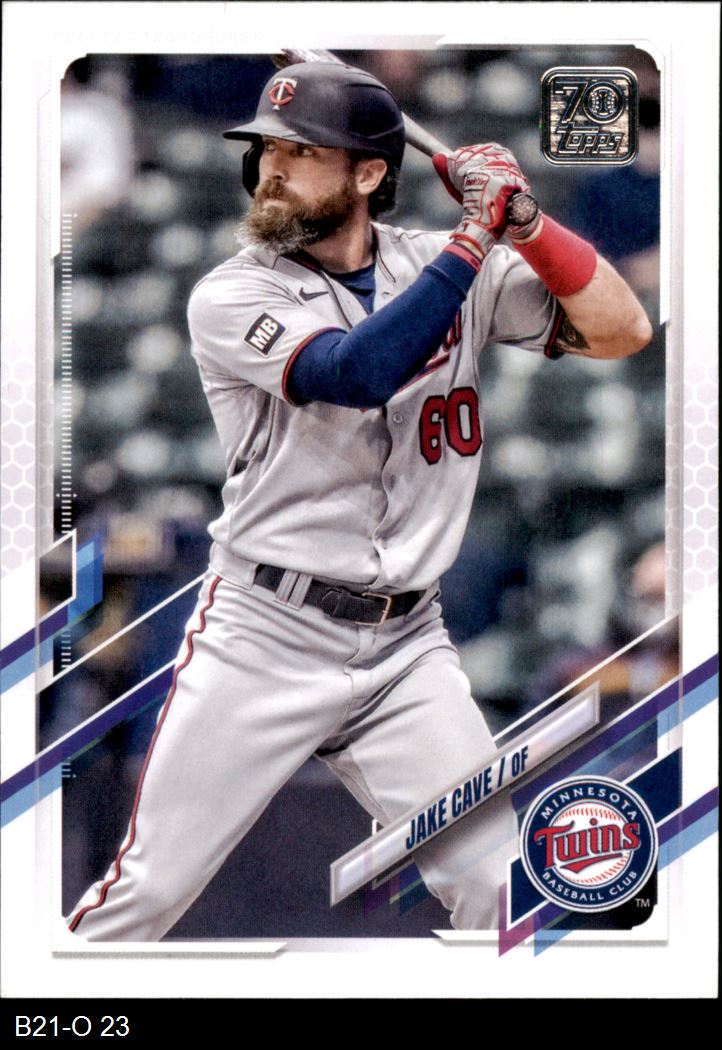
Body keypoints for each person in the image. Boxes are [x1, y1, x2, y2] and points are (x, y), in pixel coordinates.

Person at [68, 62, 651, 941]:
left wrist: (528, 225)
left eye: (302, 153)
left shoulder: (435, 264)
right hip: (266, 634)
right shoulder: (234, 291)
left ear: (370, 172)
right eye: (267, 150)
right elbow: (357, 371)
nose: (272, 169)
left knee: (502, 885)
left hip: (407, 646)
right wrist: (473, 239)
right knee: (147, 893)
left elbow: (621, 329)